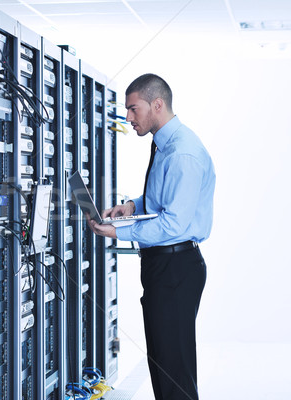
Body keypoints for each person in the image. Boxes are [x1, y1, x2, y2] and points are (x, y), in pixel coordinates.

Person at [87, 73, 215, 400]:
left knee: (174, 373)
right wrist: (129, 207)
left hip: (175, 267)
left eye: (133, 109)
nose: (128, 117)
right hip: (165, 267)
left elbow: (173, 223)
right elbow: (161, 201)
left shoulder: (182, 153)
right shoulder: (166, 144)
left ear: (156, 104)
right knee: (163, 366)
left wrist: (117, 231)